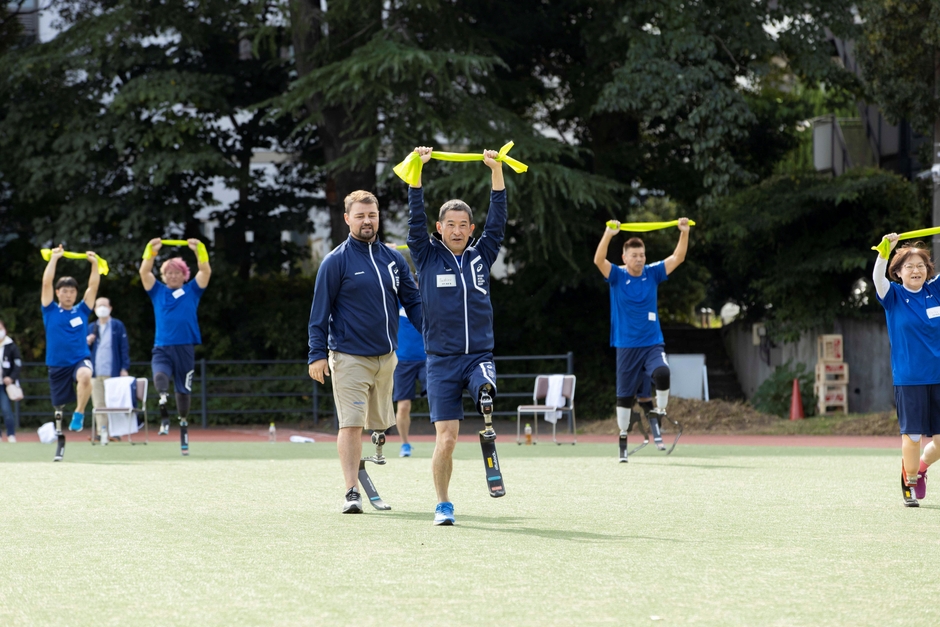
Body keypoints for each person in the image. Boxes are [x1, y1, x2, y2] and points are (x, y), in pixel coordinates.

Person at [405, 145, 507, 526]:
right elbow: (414, 217)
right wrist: (417, 169)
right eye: (451, 224)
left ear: (471, 229)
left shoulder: (483, 255)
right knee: (446, 439)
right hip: (441, 361)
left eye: (464, 224)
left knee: (483, 383)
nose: (458, 230)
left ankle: (484, 392)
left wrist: (495, 170)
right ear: (440, 228)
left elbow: (498, 218)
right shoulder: (426, 255)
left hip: (479, 354)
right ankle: (443, 504)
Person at [308, 190, 422, 514]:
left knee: (380, 423)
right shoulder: (335, 261)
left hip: (387, 358)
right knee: (351, 423)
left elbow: (412, 302)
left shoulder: (393, 259)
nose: (367, 221)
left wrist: (433, 334)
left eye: (371, 215)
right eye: (359, 216)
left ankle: (365, 456)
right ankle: (351, 492)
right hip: (349, 357)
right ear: (347, 219)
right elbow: (319, 313)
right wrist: (316, 355)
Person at [593, 218, 689, 460]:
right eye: (634, 255)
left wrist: (684, 232)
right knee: (624, 399)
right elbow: (598, 260)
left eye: (642, 255)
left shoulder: (652, 273)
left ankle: (662, 409)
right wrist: (608, 234)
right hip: (626, 346)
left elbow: (678, 258)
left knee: (663, 373)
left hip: (652, 343)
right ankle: (623, 438)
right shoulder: (616, 275)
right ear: (625, 258)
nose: (639, 259)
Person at [872, 234, 940, 507]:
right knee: (912, 436)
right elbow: (878, 278)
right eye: (909, 266)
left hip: (938, 377)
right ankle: (909, 481)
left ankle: (921, 467)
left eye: (921, 266)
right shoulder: (894, 296)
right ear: (898, 272)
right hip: (910, 378)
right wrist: (884, 251)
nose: (916, 270)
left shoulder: (935, 291)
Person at [139, 238, 211, 456]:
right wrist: (149, 252)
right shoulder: (157, 291)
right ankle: (162, 401)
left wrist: (200, 250)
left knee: (183, 389)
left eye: (176, 272)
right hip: (162, 346)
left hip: (185, 347)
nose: (172, 276)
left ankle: (182, 423)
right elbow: (144, 272)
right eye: (168, 273)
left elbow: (205, 271)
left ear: (184, 275)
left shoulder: (192, 290)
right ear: (163, 275)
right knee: (160, 376)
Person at [40, 245, 100, 461]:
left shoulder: (82, 310)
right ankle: (59, 437)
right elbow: (46, 282)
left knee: (85, 376)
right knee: (58, 407)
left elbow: (93, 287)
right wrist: (54, 258)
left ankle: (80, 412)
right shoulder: (49, 309)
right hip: (57, 364)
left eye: (72, 291)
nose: (68, 294)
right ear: (58, 293)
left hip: (79, 360)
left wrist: (94, 264)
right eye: (64, 290)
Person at [87, 297, 131, 442]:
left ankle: (115, 432)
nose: (102, 308)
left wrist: (124, 368)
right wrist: (88, 342)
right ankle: (102, 432)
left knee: (114, 403)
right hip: (95, 372)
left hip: (113, 371)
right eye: (99, 306)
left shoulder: (117, 326)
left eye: (104, 305)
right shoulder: (91, 327)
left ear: (110, 308)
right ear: (94, 309)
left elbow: (123, 348)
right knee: (98, 404)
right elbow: (83, 351)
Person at [393, 302, 427, 457]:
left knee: (437, 398)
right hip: (402, 361)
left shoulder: (427, 300)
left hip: (428, 359)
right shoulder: (395, 302)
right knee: (403, 406)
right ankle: (405, 444)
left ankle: (443, 440)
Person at [0, 319, 23, 443]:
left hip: (5, 384)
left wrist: (11, 377)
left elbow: (18, 364)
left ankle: (10, 434)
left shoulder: (11, 346)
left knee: (6, 409)